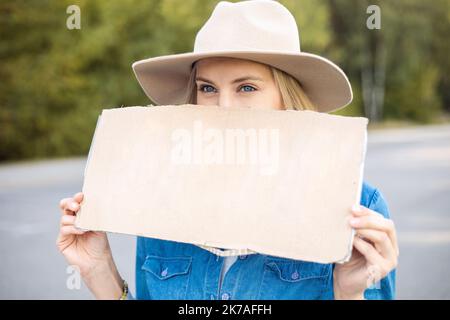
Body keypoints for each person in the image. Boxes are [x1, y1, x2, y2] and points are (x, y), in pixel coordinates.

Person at [57, 0, 398, 300]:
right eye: (207, 88)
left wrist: (350, 295)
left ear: (288, 101)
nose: (223, 107)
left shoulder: (356, 210)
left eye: (246, 87)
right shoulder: (162, 201)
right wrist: (99, 272)